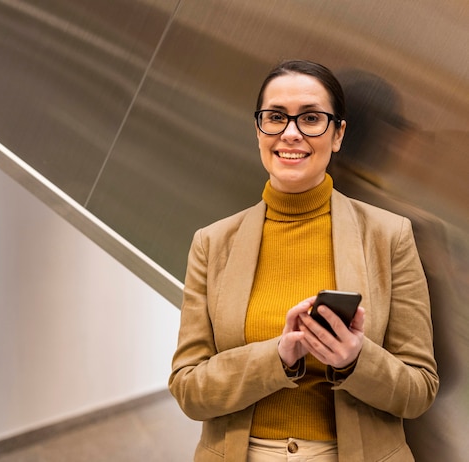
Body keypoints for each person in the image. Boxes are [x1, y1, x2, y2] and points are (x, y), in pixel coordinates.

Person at [169, 60, 439, 462]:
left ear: (338, 134)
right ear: (258, 130)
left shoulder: (390, 236)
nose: (291, 133)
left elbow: (419, 391)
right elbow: (189, 390)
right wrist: (276, 357)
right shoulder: (212, 243)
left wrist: (354, 360)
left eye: (311, 118)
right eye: (275, 117)